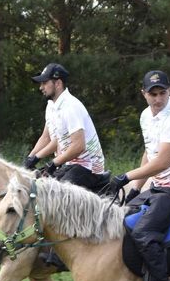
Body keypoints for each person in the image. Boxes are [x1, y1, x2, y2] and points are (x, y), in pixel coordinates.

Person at [103, 69, 170, 281]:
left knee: (144, 232)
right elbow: (149, 154)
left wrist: (126, 176)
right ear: (143, 93)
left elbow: (163, 161)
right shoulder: (146, 116)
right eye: (153, 93)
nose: (158, 98)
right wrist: (135, 189)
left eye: (162, 93)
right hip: (157, 186)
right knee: (120, 220)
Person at [23, 63, 108, 192]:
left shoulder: (70, 106)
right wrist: (31, 158)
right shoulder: (51, 106)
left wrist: (53, 163)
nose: (41, 87)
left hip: (89, 167)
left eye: (45, 83)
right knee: (38, 186)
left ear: (58, 83)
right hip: (71, 164)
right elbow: (47, 138)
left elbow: (79, 146)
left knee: (54, 194)